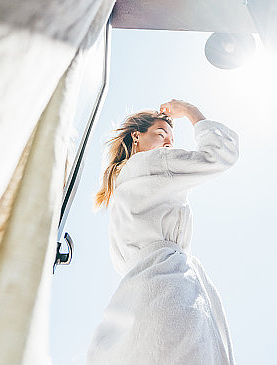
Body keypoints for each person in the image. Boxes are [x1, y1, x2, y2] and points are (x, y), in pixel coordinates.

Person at [87, 99, 239, 365]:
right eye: (161, 134)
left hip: (132, 299)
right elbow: (221, 153)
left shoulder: (122, 187)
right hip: (170, 290)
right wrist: (191, 111)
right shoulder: (155, 163)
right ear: (137, 136)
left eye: (171, 138)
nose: (169, 144)